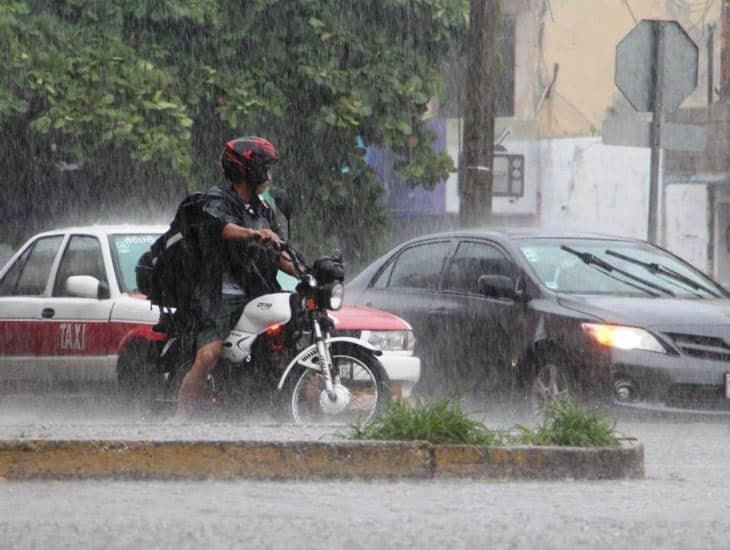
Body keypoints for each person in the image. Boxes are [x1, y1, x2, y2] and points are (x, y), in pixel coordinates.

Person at [174, 136, 294, 421]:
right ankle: (180, 418)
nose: (269, 175)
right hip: (221, 295)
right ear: (247, 170)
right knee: (208, 356)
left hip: (259, 291)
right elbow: (222, 228)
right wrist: (254, 234)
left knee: (291, 340)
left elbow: (278, 251)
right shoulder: (217, 200)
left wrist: (303, 271)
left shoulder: (264, 209)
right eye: (264, 168)